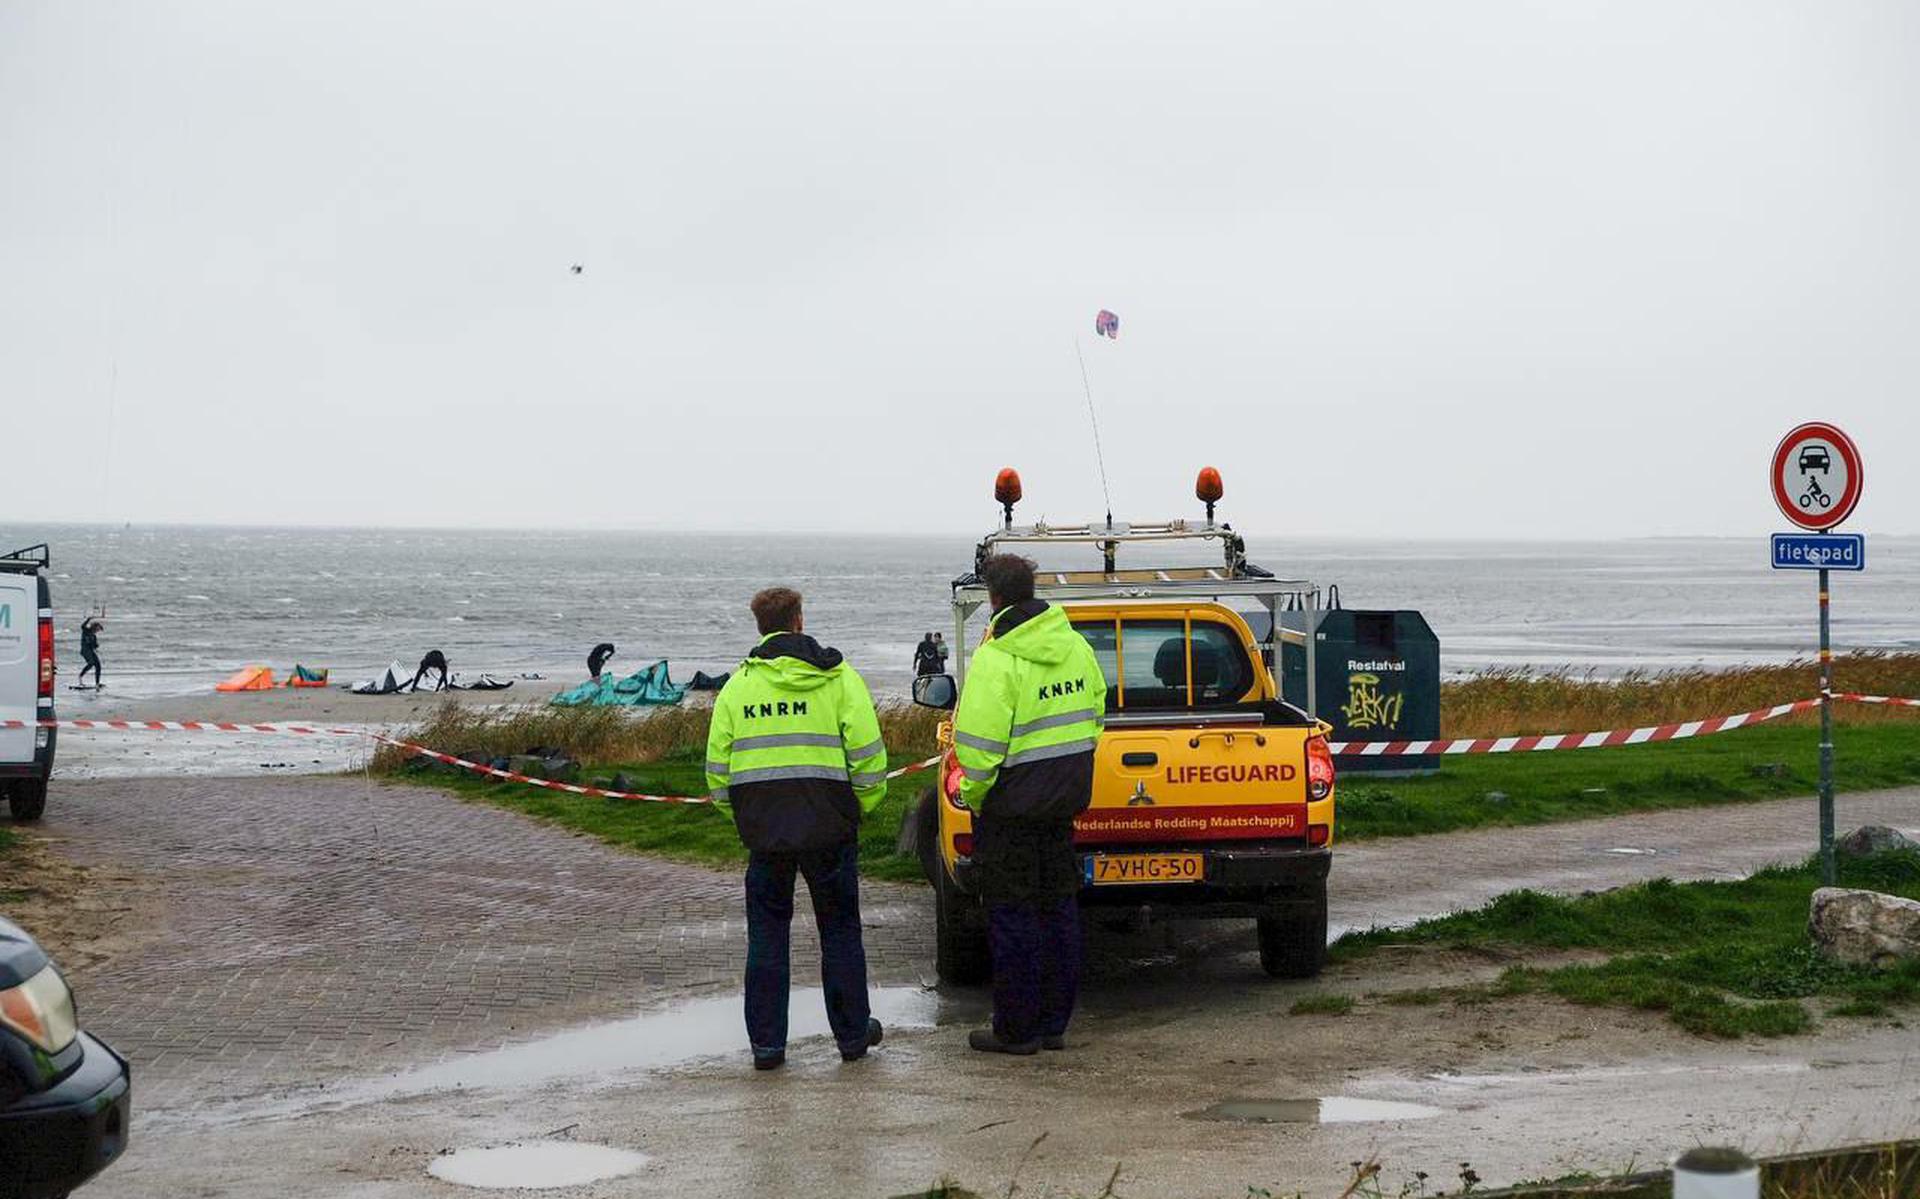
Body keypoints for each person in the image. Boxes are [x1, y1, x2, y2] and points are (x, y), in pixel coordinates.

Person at [705, 587, 889, 1071]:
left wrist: (745, 820)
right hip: (830, 830)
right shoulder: (839, 678)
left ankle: (768, 1046)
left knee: (767, 937)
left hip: (765, 836)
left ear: (760, 627)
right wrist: (861, 808)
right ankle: (852, 1037)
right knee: (841, 933)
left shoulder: (738, 688)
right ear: (799, 620)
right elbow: (869, 758)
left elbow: (717, 774)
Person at [951, 554, 1106, 1055]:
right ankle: (1054, 1023)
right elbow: (1096, 715)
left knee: (1013, 918)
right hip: (1063, 805)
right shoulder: (1076, 647)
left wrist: (975, 798)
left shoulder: (997, 659)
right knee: (1059, 909)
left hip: (1010, 810)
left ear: (993, 598)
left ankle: (1016, 1029)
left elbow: (976, 748)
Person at [77, 613, 105, 689]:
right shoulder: (86, 631)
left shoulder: (94, 636)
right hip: (85, 650)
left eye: (99, 630)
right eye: (98, 629)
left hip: (90, 651)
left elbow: (94, 646)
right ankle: (80, 677)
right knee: (91, 663)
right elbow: (82, 626)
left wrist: (97, 646)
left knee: (98, 666)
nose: (97, 631)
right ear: (94, 627)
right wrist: (88, 619)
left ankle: (97, 683)